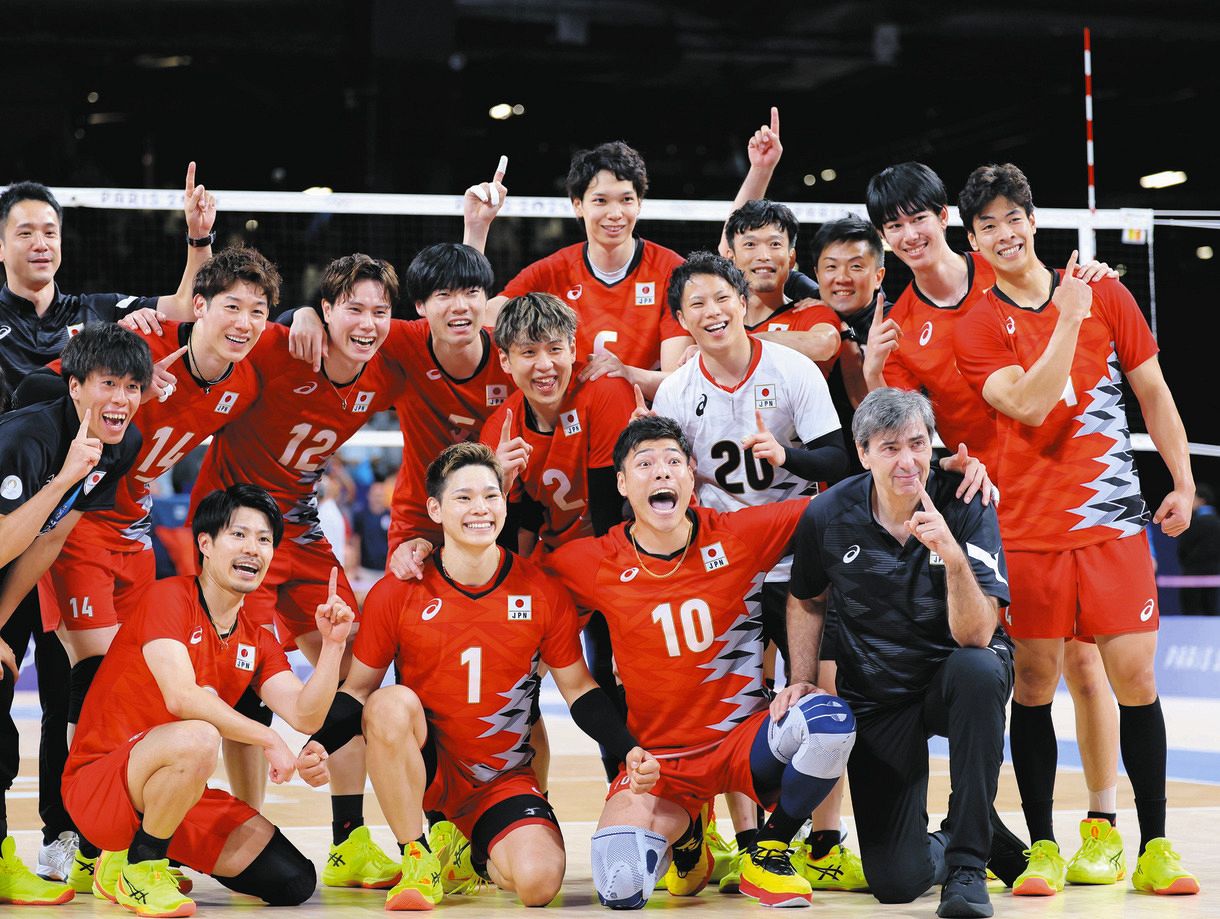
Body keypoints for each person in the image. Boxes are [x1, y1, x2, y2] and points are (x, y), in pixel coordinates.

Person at [863, 162, 1126, 886]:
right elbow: (905, 431)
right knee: (1007, 672)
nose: (909, 234)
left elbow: (1068, 296)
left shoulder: (1000, 265)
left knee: (1084, 660)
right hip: (978, 504)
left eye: (918, 216)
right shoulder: (897, 325)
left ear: (947, 216)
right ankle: (1005, 824)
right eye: (893, 226)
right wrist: (874, 374)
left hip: (1058, 483)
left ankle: (1102, 820)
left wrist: (1093, 279)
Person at [954, 162, 1199, 896]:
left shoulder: (1108, 292)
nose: (1004, 232)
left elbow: (1153, 390)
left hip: (1114, 524)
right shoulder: (977, 323)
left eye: (1014, 217)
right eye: (988, 224)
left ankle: (1151, 843)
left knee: (1135, 679)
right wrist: (1067, 314)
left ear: (1034, 219)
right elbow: (1026, 406)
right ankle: (1041, 847)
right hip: (1026, 532)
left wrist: (1182, 481)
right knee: (1032, 683)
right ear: (972, 239)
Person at [299, 442, 659, 909]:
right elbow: (359, 690)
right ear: (435, 508)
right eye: (463, 498)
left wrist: (628, 747)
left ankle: (467, 855)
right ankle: (418, 854)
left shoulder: (542, 590)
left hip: (500, 777)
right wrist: (319, 744)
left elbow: (579, 689)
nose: (479, 509)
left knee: (539, 884)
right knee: (388, 704)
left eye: (490, 496)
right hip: (428, 768)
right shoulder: (398, 591)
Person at [545, 416, 857, 909]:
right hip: (659, 761)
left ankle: (770, 848)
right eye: (644, 464)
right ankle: (691, 833)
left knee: (830, 723)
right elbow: (503, 575)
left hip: (744, 743)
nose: (661, 473)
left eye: (673, 461)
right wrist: (423, 548)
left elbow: (843, 502)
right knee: (620, 883)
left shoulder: (737, 534)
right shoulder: (592, 561)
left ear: (693, 474)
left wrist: (940, 471)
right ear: (622, 483)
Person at [0, 164, 214, 883]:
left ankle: (69, 835)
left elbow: (188, 306)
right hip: (11, 506)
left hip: (56, 522)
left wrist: (198, 236)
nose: (40, 242)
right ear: (1, 244)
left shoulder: (93, 314)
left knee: (74, 692)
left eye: (50, 232)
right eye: (24, 231)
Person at [189, 253, 408, 885]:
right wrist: (294, 315)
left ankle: (347, 841)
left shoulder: (384, 371)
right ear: (328, 310)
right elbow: (219, 331)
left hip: (302, 527)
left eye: (379, 311)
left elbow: (455, 336)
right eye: (353, 309)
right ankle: (246, 828)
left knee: (356, 666)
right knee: (242, 680)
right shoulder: (283, 345)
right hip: (237, 529)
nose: (367, 323)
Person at [648, 251, 853, 892]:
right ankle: (744, 843)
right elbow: (668, 478)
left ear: (743, 300)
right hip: (722, 562)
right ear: (681, 319)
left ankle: (821, 841)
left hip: (800, 553)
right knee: (733, 700)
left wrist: (785, 453)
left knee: (815, 691)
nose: (711, 312)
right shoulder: (676, 389)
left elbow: (841, 457)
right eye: (695, 305)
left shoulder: (792, 369)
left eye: (720, 298)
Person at [61, 484, 353, 917]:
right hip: (102, 785)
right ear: (206, 544)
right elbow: (181, 697)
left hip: (175, 791)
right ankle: (140, 869)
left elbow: (305, 712)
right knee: (199, 735)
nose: (252, 548)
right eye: (239, 535)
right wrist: (268, 739)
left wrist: (332, 646)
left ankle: (129, 854)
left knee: (292, 881)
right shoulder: (168, 598)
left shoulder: (257, 637)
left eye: (264, 539)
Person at [785, 387, 1022, 919]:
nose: (909, 460)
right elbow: (806, 599)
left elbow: (977, 636)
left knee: (979, 670)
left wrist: (952, 556)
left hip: (952, 676)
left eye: (919, 443)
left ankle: (966, 865)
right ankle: (969, 833)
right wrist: (801, 678)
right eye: (890, 447)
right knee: (896, 882)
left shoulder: (965, 501)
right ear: (863, 453)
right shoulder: (826, 514)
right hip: (879, 696)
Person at [0, 322, 150, 905]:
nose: (121, 400)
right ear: (76, 387)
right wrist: (64, 475)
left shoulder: (121, 446)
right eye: (108, 383)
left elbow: (49, 538)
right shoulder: (28, 439)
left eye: (133, 387)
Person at [478, 141, 691, 397]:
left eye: (626, 200)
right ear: (578, 205)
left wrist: (625, 373)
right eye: (600, 200)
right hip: (570, 417)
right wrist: (477, 226)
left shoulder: (671, 270)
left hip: (646, 421)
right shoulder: (552, 270)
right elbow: (478, 318)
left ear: (639, 204)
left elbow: (678, 382)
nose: (615, 213)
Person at [1178, 483, 1220, 614]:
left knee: (1191, 613)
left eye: (1193, 498)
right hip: (1215, 574)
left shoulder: (1190, 523)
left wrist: (1189, 564)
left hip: (1192, 574)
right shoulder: (1218, 522)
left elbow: (1182, 549)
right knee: (1212, 612)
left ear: (1202, 500)